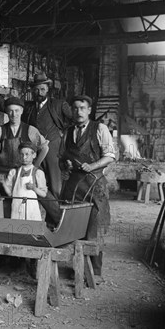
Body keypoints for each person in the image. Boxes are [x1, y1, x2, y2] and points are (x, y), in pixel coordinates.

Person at [0, 73, 72, 197]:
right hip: (32, 150)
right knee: (30, 184)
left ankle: (56, 213)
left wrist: (64, 138)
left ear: (47, 89)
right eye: (36, 89)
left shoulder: (58, 105)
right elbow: (9, 107)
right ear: (32, 90)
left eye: (42, 89)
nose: (39, 92)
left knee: (55, 186)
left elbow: (74, 121)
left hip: (52, 149)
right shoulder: (28, 107)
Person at [59, 95, 116, 273]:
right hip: (73, 186)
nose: (79, 112)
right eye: (75, 108)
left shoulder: (100, 128)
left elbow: (110, 156)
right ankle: (77, 268)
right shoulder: (68, 131)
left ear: (89, 110)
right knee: (75, 227)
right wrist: (65, 164)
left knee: (94, 227)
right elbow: (63, 156)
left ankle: (93, 271)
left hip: (94, 184)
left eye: (82, 108)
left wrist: (92, 166)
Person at [0, 97, 49, 197]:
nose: (14, 114)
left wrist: (36, 166)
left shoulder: (30, 130)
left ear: (21, 111)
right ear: (7, 112)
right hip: (4, 177)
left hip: (23, 177)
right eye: (10, 111)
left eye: (17, 111)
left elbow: (45, 148)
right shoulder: (0, 131)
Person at [3, 141, 48, 221]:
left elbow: (43, 194)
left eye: (27, 154)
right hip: (16, 207)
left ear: (34, 155)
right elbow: (10, 193)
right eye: (21, 154)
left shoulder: (38, 173)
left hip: (31, 209)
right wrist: (3, 183)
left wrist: (34, 188)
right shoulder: (14, 172)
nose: (24, 157)